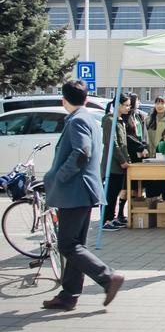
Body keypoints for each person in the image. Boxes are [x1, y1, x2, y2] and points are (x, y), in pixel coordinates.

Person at [41, 80, 125, 311]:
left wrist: (60, 176)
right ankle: (69, 295)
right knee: (76, 245)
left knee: (68, 245)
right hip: (83, 190)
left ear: (63, 100)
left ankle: (108, 277)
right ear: (86, 98)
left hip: (75, 191)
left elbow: (81, 152)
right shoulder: (87, 118)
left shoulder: (77, 120)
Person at [101, 94, 130, 231]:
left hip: (119, 164)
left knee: (114, 193)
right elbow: (113, 143)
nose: (128, 108)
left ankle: (112, 218)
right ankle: (105, 220)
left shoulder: (120, 120)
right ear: (118, 105)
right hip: (112, 164)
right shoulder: (109, 120)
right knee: (110, 193)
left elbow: (123, 144)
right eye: (126, 105)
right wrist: (122, 160)